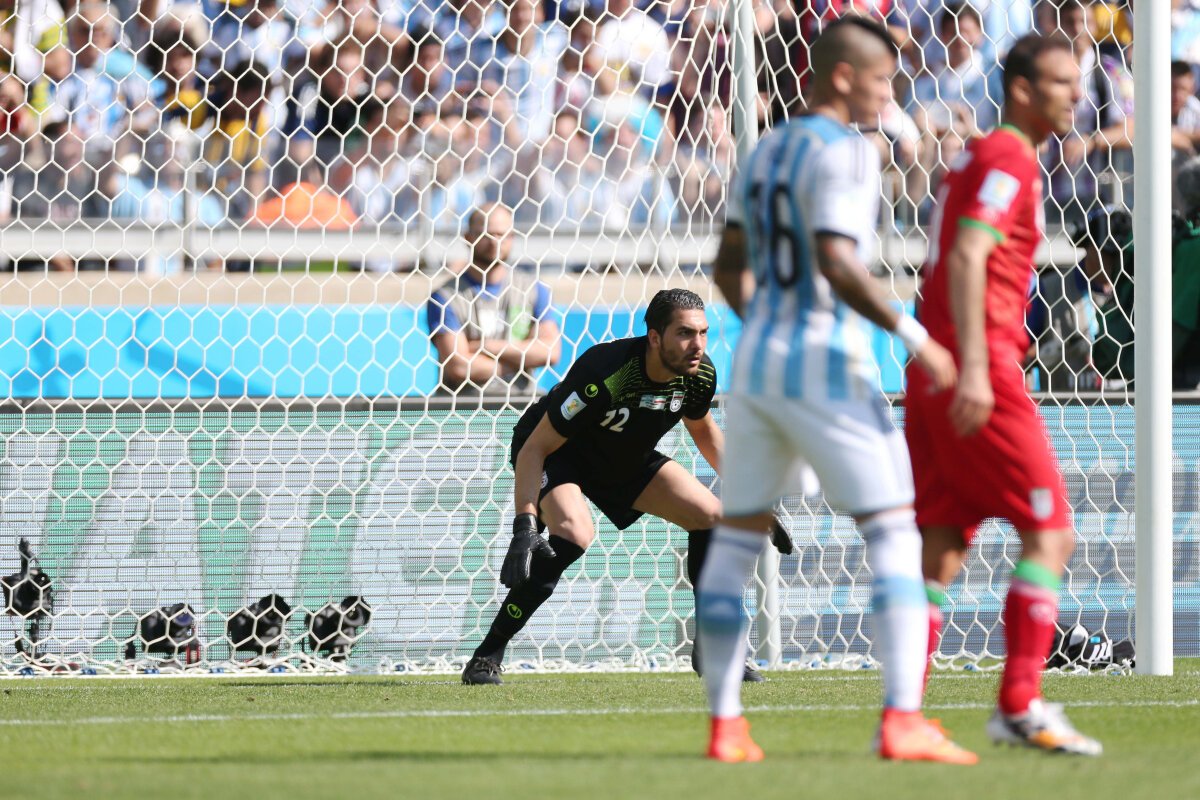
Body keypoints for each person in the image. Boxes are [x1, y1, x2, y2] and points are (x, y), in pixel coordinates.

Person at [701, 16, 967, 765]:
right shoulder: (849, 151)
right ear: (844, 77)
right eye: (882, 80)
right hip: (826, 365)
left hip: (757, 365)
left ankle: (725, 727)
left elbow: (727, 266)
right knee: (893, 531)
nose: (889, 95)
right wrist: (916, 337)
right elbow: (838, 260)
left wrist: (769, 322)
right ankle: (902, 720)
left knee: (735, 541)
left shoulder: (765, 149)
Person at [905, 32, 1103, 756]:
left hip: (932, 365)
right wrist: (977, 369)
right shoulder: (1009, 156)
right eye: (1061, 81)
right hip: (977, 363)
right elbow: (967, 253)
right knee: (1050, 531)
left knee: (941, 548)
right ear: (1022, 89)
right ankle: (1020, 704)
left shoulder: (977, 157)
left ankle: (903, 713)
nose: (1077, 94)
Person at [460, 288, 790, 686]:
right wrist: (524, 526)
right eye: (685, 333)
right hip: (560, 453)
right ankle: (487, 655)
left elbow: (705, 434)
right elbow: (536, 448)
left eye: (703, 333)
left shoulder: (699, 375)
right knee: (574, 533)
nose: (697, 345)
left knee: (713, 518)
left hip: (622, 458)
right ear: (655, 337)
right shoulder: (608, 371)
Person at [427, 202, 561, 397]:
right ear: (468, 237)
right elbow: (458, 366)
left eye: (502, 234)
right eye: (486, 234)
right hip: (463, 407)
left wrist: (484, 347)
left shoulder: (533, 290)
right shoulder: (446, 297)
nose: (495, 241)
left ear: (512, 237)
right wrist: (518, 362)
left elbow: (550, 352)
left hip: (520, 404)